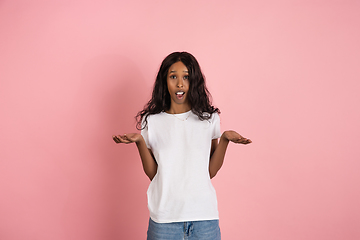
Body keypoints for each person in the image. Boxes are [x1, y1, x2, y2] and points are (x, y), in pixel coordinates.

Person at [113, 52, 251, 240]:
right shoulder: (152, 121)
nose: (180, 83)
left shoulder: (209, 119)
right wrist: (139, 142)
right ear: (165, 81)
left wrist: (225, 139)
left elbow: (208, 172)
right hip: (164, 220)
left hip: (204, 218)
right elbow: (155, 174)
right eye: (173, 77)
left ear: (194, 80)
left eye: (186, 77)